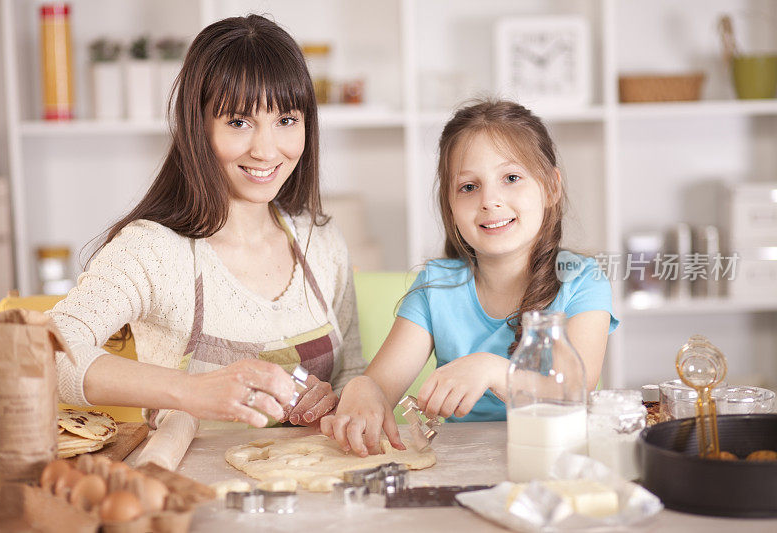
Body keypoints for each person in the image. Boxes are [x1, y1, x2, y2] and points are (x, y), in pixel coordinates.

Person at [49, 15, 365, 430]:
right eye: (238, 122)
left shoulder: (320, 239)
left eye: (286, 120)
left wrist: (335, 401)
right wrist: (191, 390)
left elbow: (353, 372)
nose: (267, 150)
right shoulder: (153, 251)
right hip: (191, 490)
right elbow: (46, 356)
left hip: (309, 489)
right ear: (199, 127)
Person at [321, 99, 618, 456]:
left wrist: (493, 371)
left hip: (554, 459)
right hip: (460, 464)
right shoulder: (436, 287)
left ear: (551, 188)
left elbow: (574, 391)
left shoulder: (581, 280)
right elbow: (381, 386)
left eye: (511, 178)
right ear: (449, 206)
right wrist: (362, 389)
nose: (490, 200)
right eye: (468, 187)